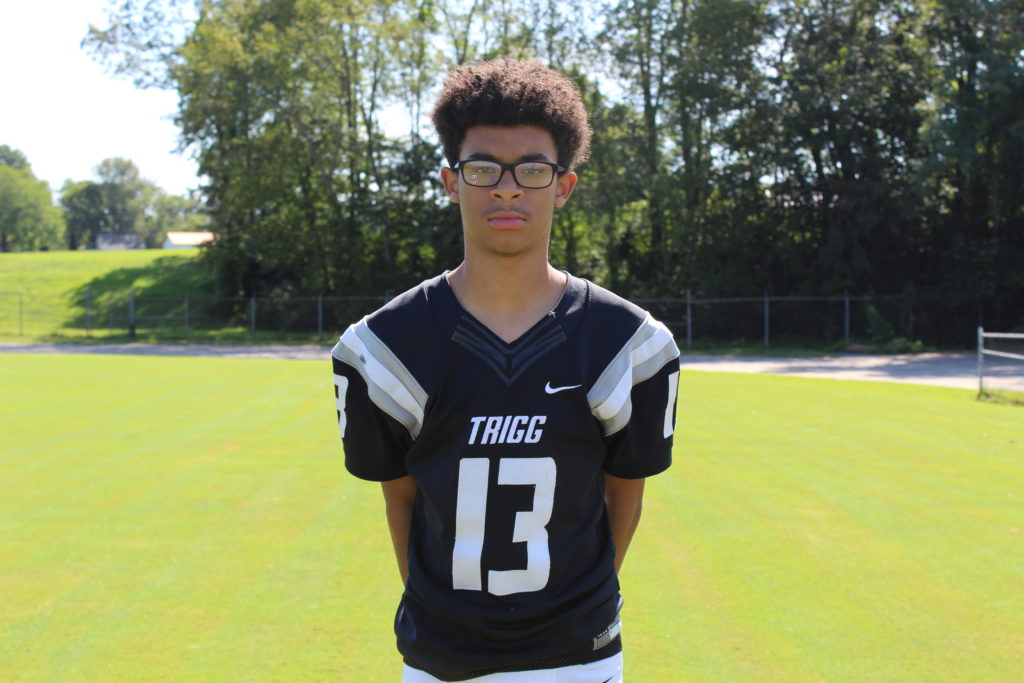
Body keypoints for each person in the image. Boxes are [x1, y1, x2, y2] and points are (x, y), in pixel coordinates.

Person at [331, 58, 680, 682]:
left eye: (533, 170)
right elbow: (400, 497)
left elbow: (624, 490)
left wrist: (575, 614)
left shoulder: (629, 343)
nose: (508, 189)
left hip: (580, 660)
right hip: (441, 661)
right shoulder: (382, 346)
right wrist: (447, 623)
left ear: (563, 186)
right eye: (484, 168)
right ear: (451, 181)